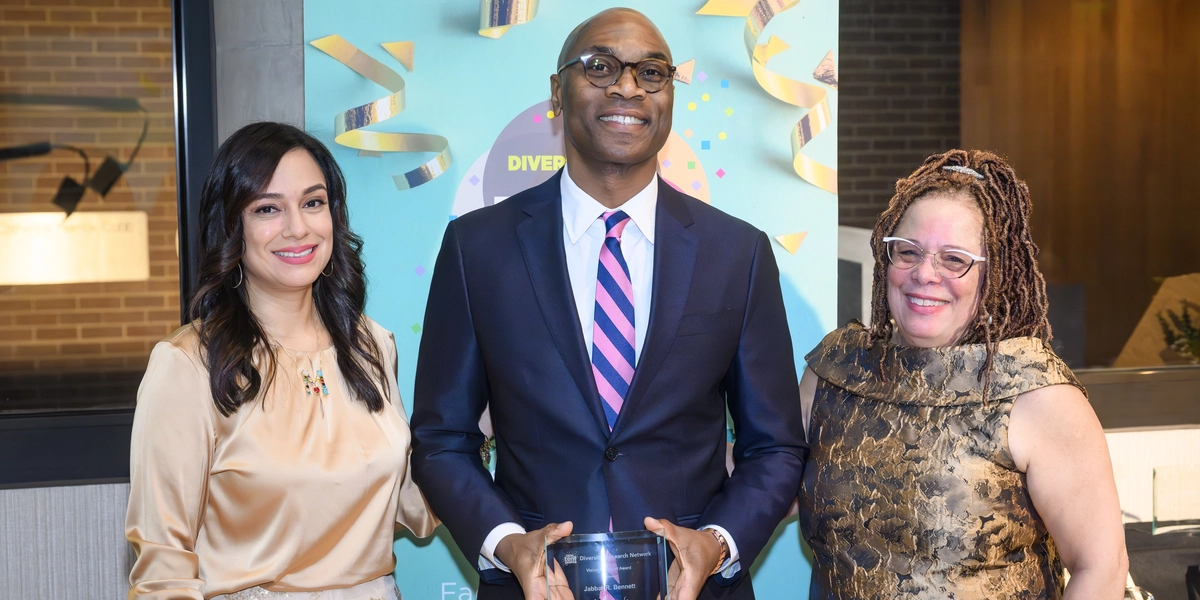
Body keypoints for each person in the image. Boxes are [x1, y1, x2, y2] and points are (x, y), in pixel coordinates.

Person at [410, 8, 806, 600]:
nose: (627, 87)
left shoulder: (738, 252)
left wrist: (717, 542)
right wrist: (506, 542)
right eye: (600, 67)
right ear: (556, 92)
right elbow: (442, 438)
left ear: (670, 95)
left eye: (651, 72)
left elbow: (774, 445)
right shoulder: (478, 249)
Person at [798, 150, 1128, 599]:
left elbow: (1101, 570)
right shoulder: (838, 370)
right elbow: (766, 485)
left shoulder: (1036, 394)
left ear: (994, 273)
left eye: (954, 260)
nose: (924, 274)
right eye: (908, 252)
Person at [125, 122, 435, 600]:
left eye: (313, 203)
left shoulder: (371, 345)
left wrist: (480, 415)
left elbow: (406, 506)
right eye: (268, 208)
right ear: (232, 226)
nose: (298, 227)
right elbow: (164, 569)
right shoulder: (187, 366)